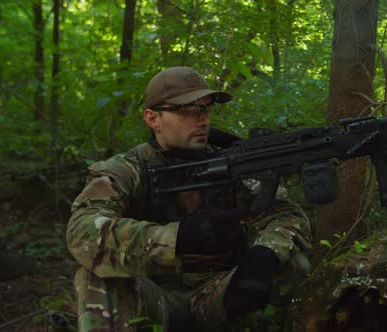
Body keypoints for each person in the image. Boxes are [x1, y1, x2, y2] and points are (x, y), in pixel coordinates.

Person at [66, 66, 313, 331]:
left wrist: (263, 255)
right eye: (188, 111)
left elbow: (288, 216)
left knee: (290, 264)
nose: (203, 120)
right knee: (97, 275)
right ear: (153, 119)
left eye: (205, 109)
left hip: (218, 293)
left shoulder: (230, 162)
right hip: (153, 295)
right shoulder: (127, 169)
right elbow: (82, 231)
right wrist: (177, 239)